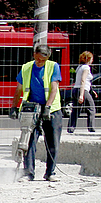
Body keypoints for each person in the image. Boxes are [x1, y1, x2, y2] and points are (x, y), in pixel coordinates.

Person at [10, 44, 63, 182]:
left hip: (52, 109)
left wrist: (48, 107)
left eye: (43, 60)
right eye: (38, 59)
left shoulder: (53, 66)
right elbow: (19, 89)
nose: (40, 62)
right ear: (34, 55)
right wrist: (14, 107)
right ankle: (28, 172)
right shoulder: (26, 67)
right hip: (32, 109)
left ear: (48, 58)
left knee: (52, 142)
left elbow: (54, 88)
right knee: (29, 140)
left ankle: (50, 172)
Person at [67, 51, 96, 134]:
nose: (92, 60)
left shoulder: (79, 67)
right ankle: (91, 127)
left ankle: (71, 128)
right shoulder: (86, 68)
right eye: (92, 59)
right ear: (89, 59)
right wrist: (81, 95)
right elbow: (83, 80)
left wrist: (92, 91)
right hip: (82, 89)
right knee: (91, 108)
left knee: (76, 109)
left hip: (75, 89)